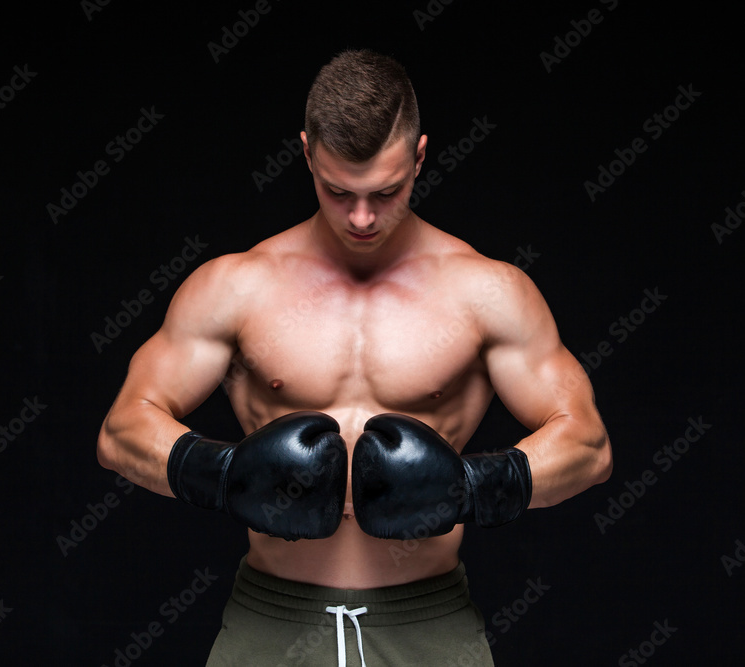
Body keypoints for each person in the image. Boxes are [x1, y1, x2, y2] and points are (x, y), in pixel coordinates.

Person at [97, 49, 612, 666]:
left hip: (428, 623)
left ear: (420, 156)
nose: (362, 217)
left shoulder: (487, 292)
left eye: (385, 192)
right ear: (308, 153)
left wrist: (472, 488)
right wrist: (225, 473)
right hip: (273, 622)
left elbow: (588, 445)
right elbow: (122, 428)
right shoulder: (237, 287)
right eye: (339, 192)